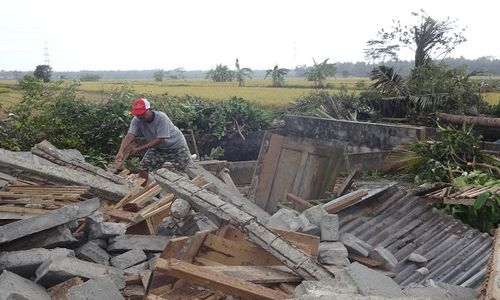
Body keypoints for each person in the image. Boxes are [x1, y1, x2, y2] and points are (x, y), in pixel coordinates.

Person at [115, 98, 191, 181]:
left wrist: (138, 149)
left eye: (143, 114)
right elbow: (130, 135)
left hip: (177, 147)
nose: (140, 116)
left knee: (184, 171)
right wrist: (121, 151)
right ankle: (143, 190)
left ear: (150, 110)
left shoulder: (161, 117)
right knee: (143, 168)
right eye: (138, 114)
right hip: (158, 149)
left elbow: (160, 139)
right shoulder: (136, 120)